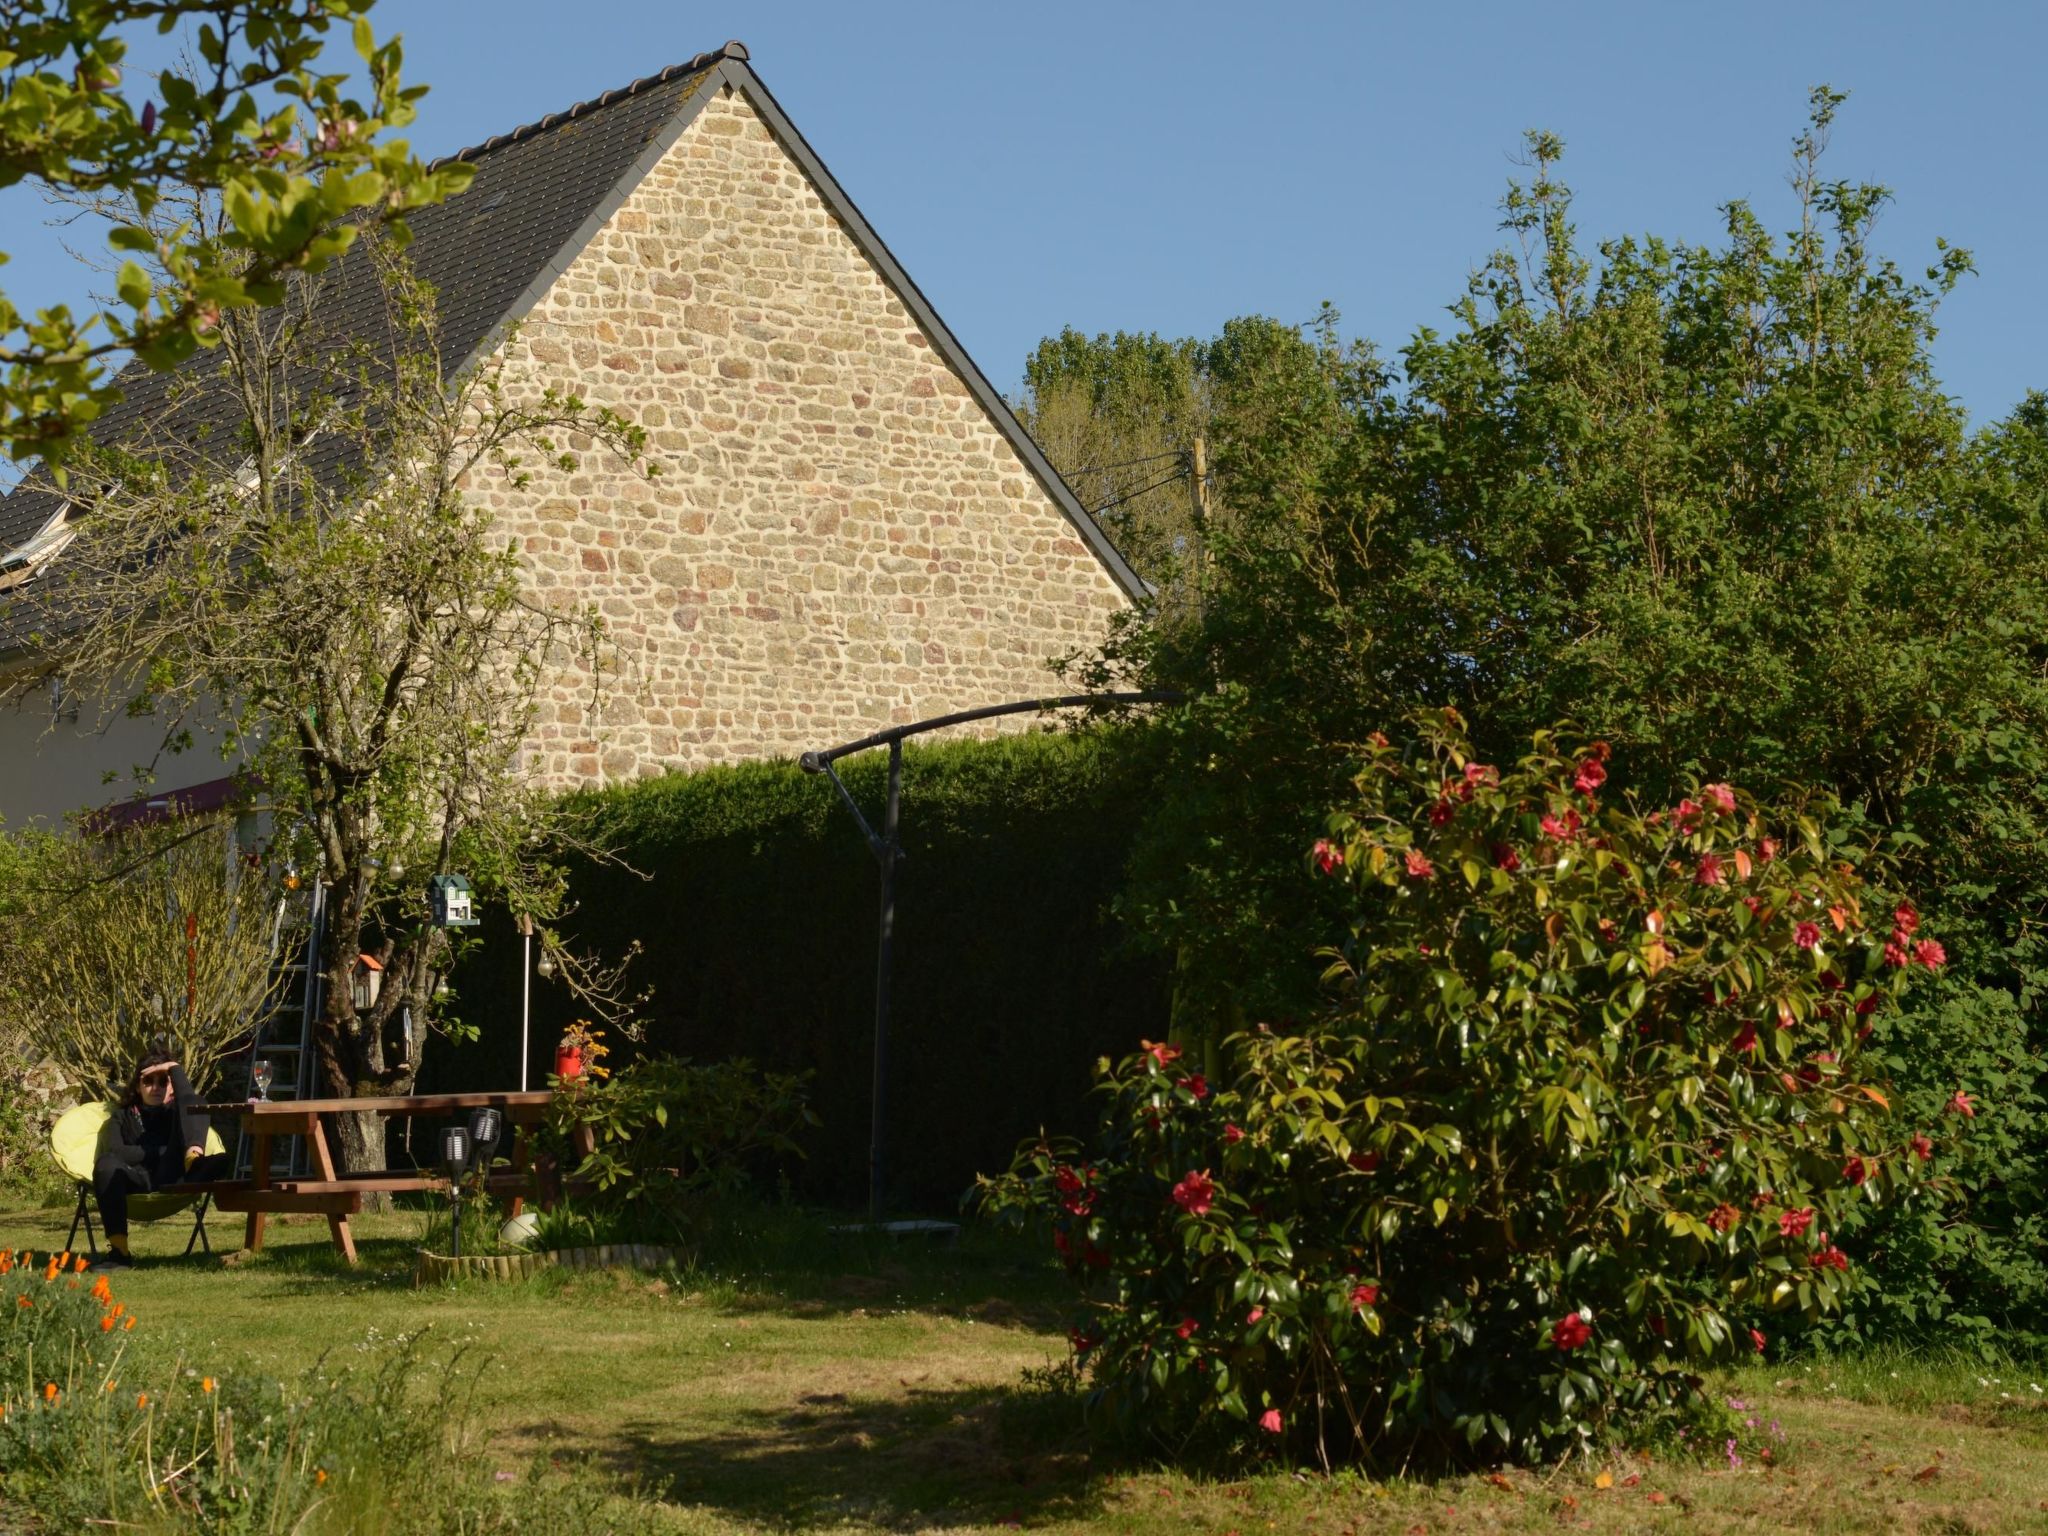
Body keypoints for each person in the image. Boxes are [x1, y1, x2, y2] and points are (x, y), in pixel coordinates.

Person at [90, 1050, 228, 1269]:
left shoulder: (177, 1113)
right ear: (137, 1086)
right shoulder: (121, 1117)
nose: (156, 1087)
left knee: (199, 1110)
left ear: (171, 1086)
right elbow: (115, 1152)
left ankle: (194, 1156)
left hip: (174, 1174)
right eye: (148, 1081)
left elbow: (191, 1102)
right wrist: (161, 1151)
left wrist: (175, 1069)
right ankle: (119, 1252)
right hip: (136, 1178)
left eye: (163, 1081)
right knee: (105, 1164)